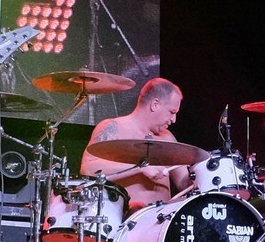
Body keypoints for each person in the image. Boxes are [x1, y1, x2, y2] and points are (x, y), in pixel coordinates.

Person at [80, 77, 192, 210]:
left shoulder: (167, 137)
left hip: (163, 220)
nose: (173, 120)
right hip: (125, 218)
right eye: (172, 112)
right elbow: (88, 169)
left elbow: (184, 183)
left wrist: (202, 170)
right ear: (155, 104)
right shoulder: (113, 127)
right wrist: (139, 168)